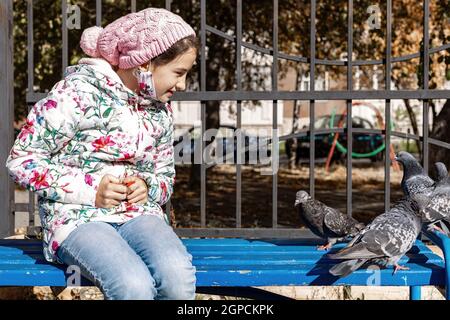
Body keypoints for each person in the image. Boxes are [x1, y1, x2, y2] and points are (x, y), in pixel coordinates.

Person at [6, 8, 198, 300]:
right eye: (179, 73)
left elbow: (165, 177)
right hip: (77, 219)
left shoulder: (160, 109)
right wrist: (92, 190)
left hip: (140, 216)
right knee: (132, 285)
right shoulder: (76, 95)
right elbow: (21, 160)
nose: (182, 85)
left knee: (177, 279)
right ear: (144, 63)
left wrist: (148, 187)